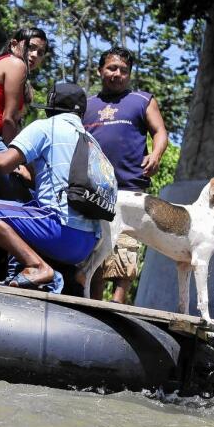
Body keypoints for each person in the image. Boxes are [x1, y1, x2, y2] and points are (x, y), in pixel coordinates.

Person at [0, 83, 101, 294]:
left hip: (60, 233)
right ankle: (50, 275)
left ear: (49, 108)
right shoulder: (91, 141)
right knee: (29, 206)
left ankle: (37, 266)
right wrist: (30, 177)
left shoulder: (45, 126)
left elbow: (3, 164)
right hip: (87, 244)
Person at [83, 46, 169, 303]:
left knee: (126, 241)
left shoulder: (142, 100)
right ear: (100, 70)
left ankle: (119, 301)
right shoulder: (87, 105)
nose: (117, 73)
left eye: (123, 70)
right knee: (97, 244)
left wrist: (155, 155)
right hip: (94, 187)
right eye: (112, 68)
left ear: (129, 74)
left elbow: (160, 132)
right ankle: (94, 302)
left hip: (129, 185)